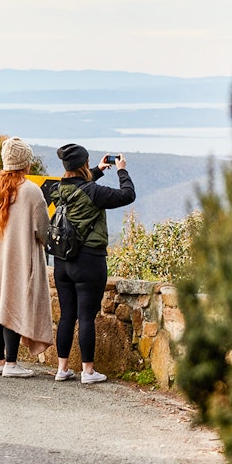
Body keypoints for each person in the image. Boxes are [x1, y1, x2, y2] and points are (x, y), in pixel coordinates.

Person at [51, 144, 136, 384]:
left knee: (67, 315)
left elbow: (78, 186)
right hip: (89, 260)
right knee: (86, 315)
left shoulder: (58, 189)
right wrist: (121, 170)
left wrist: (97, 170)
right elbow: (127, 195)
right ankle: (87, 371)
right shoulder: (94, 192)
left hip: (62, 260)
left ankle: (62, 368)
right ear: (84, 165)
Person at [0, 137, 54, 377]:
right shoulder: (30, 191)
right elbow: (43, 230)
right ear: (25, 163)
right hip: (19, 256)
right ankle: (11, 363)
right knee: (13, 304)